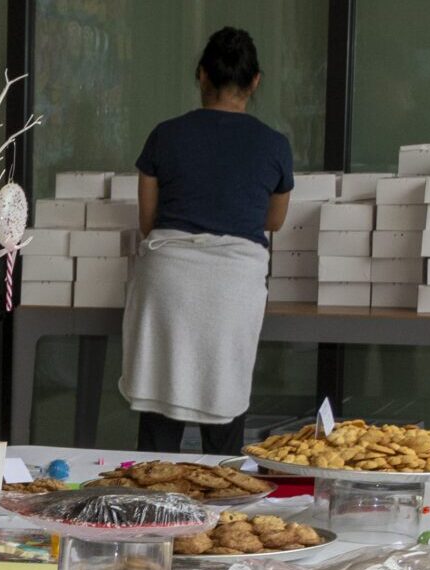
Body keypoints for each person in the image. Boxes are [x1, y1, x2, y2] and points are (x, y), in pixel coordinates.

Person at [119, 27, 293, 456]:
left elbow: (148, 222)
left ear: (201, 75)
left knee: (162, 400)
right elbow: (275, 220)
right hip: (233, 283)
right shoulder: (274, 145)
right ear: (255, 81)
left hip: (170, 279)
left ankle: (152, 507)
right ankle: (224, 504)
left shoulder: (165, 135)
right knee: (225, 398)